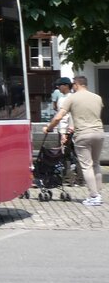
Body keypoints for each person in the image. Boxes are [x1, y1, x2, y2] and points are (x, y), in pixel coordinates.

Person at [44, 75, 104, 206]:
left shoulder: (72, 98)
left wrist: (48, 128)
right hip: (99, 133)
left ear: (76, 84)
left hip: (83, 134)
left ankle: (94, 196)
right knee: (96, 164)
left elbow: (58, 117)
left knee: (86, 165)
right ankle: (98, 193)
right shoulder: (97, 98)